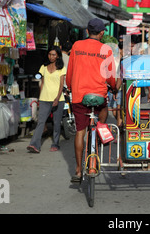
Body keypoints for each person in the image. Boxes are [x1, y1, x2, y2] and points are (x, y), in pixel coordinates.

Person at [66, 18, 117, 183]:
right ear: (102, 33)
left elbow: (70, 72)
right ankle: (100, 131)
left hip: (79, 96)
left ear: (87, 31)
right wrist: (114, 88)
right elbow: (111, 77)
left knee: (80, 131)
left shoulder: (77, 46)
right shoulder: (106, 49)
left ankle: (79, 170)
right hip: (99, 95)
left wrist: (70, 86)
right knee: (103, 112)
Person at [27, 46, 66, 153]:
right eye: (49, 54)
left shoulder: (61, 68)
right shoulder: (43, 67)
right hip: (44, 99)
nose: (51, 56)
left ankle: (55, 144)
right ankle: (34, 144)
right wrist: (40, 97)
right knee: (41, 122)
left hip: (58, 99)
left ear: (58, 56)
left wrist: (57, 99)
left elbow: (61, 85)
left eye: (53, 54)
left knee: (57, 123)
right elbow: (42, 83)